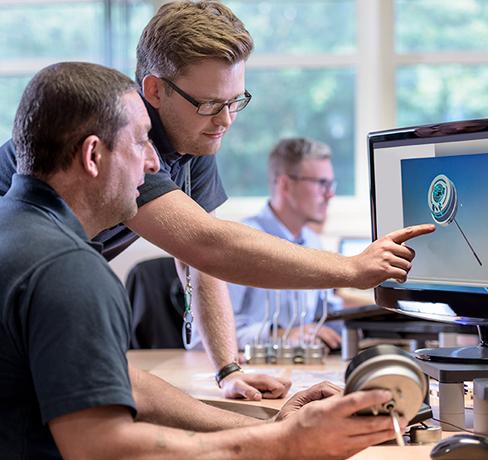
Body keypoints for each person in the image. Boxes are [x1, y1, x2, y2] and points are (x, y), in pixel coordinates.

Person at [0, 0, 434, 402]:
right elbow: (209, 245)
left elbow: (201, 264)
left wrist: (229, 370)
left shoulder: (194, 137)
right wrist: (353, 270)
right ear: (154, 90)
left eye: (234, 102)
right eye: (209, 104)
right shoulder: (128, 139)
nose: (225, 121)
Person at [0, 61, 405, 460]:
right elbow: (105, 450)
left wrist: (273, 428)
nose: (154, 164)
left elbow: (121, 383)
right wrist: (285, 445)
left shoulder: (16, 230)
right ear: (92, 156)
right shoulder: (69, 270)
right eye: (141, 143)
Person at [228, 138, 343, 350]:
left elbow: (327, 313)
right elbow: (204, 338)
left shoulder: (313, 242)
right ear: (286, 185)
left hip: (300, 366)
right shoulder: (242, 242)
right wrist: (279, 334)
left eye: (331, 184)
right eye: (322, 184)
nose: (330, 194)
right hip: (250, 370)